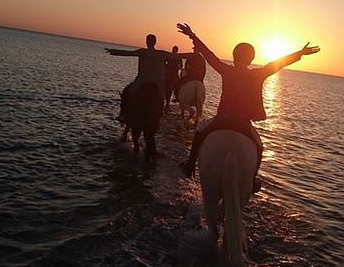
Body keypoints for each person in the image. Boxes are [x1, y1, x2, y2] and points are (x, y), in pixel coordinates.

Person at [176, 23, 319, 193]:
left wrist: (192, 35)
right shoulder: (258, 74)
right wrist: (300, 53)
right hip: (243, 124)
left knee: (199, 133)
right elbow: (279, 63)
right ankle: (251, 180)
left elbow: (208, 54)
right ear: (251, 59)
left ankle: (190, 164)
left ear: (234, 56)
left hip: (221, 120)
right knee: (258, 147)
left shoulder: (225, 70)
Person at [105, 34, 195, 124]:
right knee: (161, 99)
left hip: (141, 81)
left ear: (147, 42)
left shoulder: (142, 51)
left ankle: (124, 115)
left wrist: (113, 51)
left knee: (127, 93)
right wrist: (192, 55)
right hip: (158, 84)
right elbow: (177, 56)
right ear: (155, 42)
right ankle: (159, 115)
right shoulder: (161, 53)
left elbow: (128, 53)